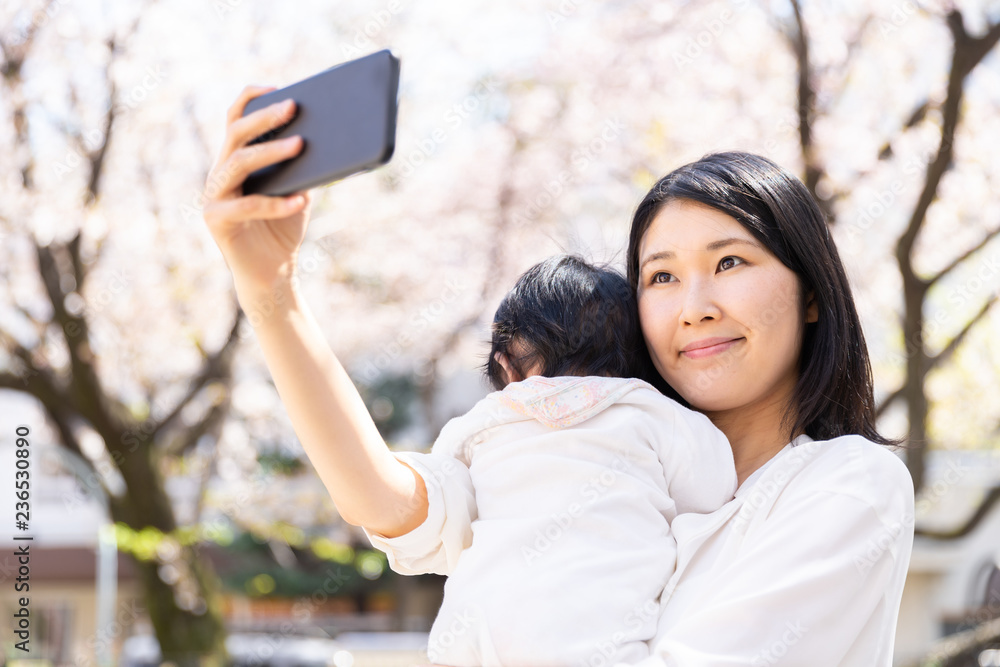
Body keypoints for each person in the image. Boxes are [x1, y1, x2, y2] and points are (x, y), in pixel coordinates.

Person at [202, 86, 914, 666]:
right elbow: (382, 496)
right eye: (661, 276)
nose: (694, 308)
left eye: (730, 262)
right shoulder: (568, 451)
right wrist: (271, 288)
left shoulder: (846, 485)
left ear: (812, 292)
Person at [362, 254, 736, 665]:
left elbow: (444, 471)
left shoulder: (489, 418)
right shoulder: (653, 412)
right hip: (603, 636)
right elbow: (712, 489)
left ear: (505, 366)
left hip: (476, 626)